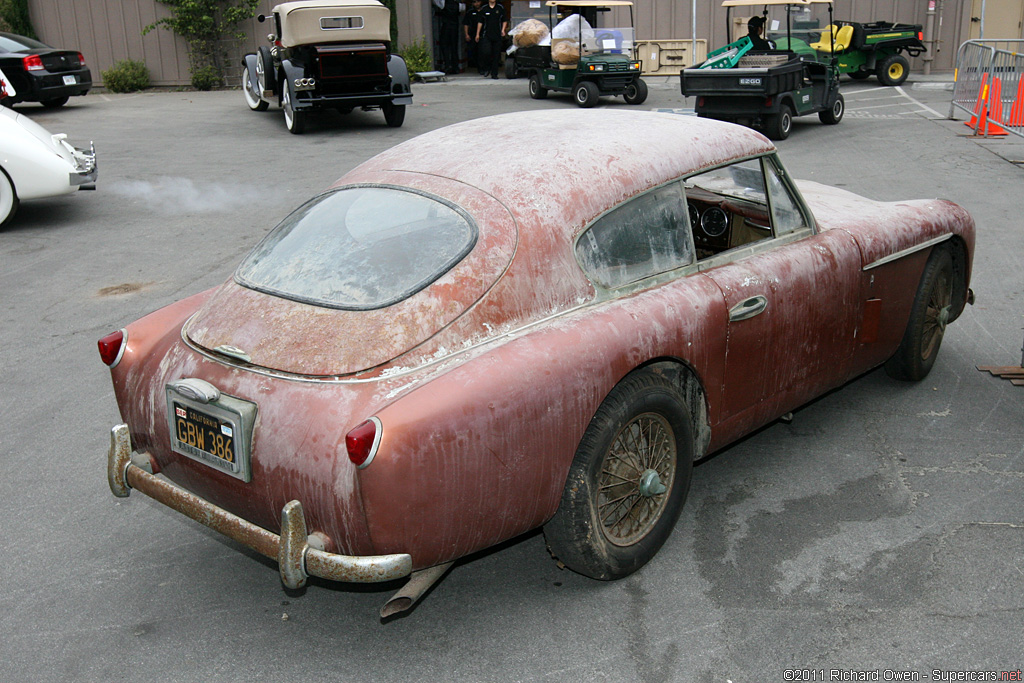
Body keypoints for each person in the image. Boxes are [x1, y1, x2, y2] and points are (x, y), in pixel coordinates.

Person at [475, 0, 507, 79]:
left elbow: (504, 20)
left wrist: (503, 30)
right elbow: (480, 22)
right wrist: (477, 34)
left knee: (496, 55)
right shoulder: (484, 8)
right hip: (486, 35)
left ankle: (494, 74)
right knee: (486, 52)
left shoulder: (500, 8)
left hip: (497, 36)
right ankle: (487, 68)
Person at [437, 0, 462, 73]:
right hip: (455, 26)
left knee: (444, 46)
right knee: (454, 47)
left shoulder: (443, 3)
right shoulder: (459, 5)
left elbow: (435, 2)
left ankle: (447, 65)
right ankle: (455, 67)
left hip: (446, 26)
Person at [463, 0, 483, 74]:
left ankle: (484, 68)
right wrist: (466, 34)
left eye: (478, 1)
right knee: (475, 52)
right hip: (472, 34)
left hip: (483, 34)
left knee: (484, 52)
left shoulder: (485, 10)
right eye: (474, 2)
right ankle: (478, 67)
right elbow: (466, 23)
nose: (477, 3)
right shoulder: (470, 12)